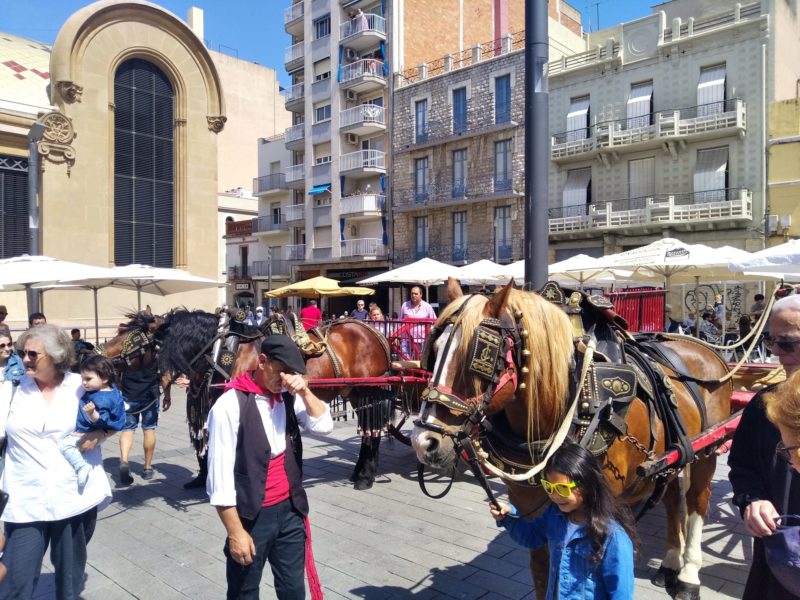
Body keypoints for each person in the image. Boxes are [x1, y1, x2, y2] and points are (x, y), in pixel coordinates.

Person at [207, 335, 333, 599]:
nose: (286, 379)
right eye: (281, 371)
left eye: (292, 373)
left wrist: (305, 390)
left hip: (290, 511)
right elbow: (219, 480)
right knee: (245, 592)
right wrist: (235, 532)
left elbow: (324, 426)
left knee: (293, 590)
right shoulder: (230, 405)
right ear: (262, 362)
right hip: (251, 516)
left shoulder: (289, 395)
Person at [0, 324, 112, 599]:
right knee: (17, 581)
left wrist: (99, 433)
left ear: (56, 355)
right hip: (24, 499)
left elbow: (117, 417)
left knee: (69, 583)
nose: (25, 359)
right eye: (22, 352)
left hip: (73, 496)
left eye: (33, 354)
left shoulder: (82, 387)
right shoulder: (11, 389)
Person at [490, 443, 635, 599]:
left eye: (561, 488)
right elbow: (531, 537)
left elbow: (621, 593)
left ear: (586, 484)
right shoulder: (554, 515)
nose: (554, 495)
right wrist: (508, 516)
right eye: (549, 487)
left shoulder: (613, 536)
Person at [729, 294, 800, 600]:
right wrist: (753, 499)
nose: (776, 353)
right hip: (777, 561)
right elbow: (742, 465)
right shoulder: (764, 404)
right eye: (773, 341)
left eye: (787, 343)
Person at [59, 355, 126, 488]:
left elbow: (101, 420)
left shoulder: (102, 399)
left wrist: (91, 413)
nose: (84, 383)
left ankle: (81, 467)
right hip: (91, 432)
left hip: (88, 433)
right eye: (82, 378)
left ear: (105, 378)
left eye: (88, 379)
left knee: (65, 446)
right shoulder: (108, 390)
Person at [118, 359, 162, 484]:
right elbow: (165, 376)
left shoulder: (126, 349)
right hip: (150, 396)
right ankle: (147, 468)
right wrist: (167, 395)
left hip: (129, 394)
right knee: (149, 429)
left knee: (127, 430)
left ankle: (124, 461)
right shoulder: (154, 350)